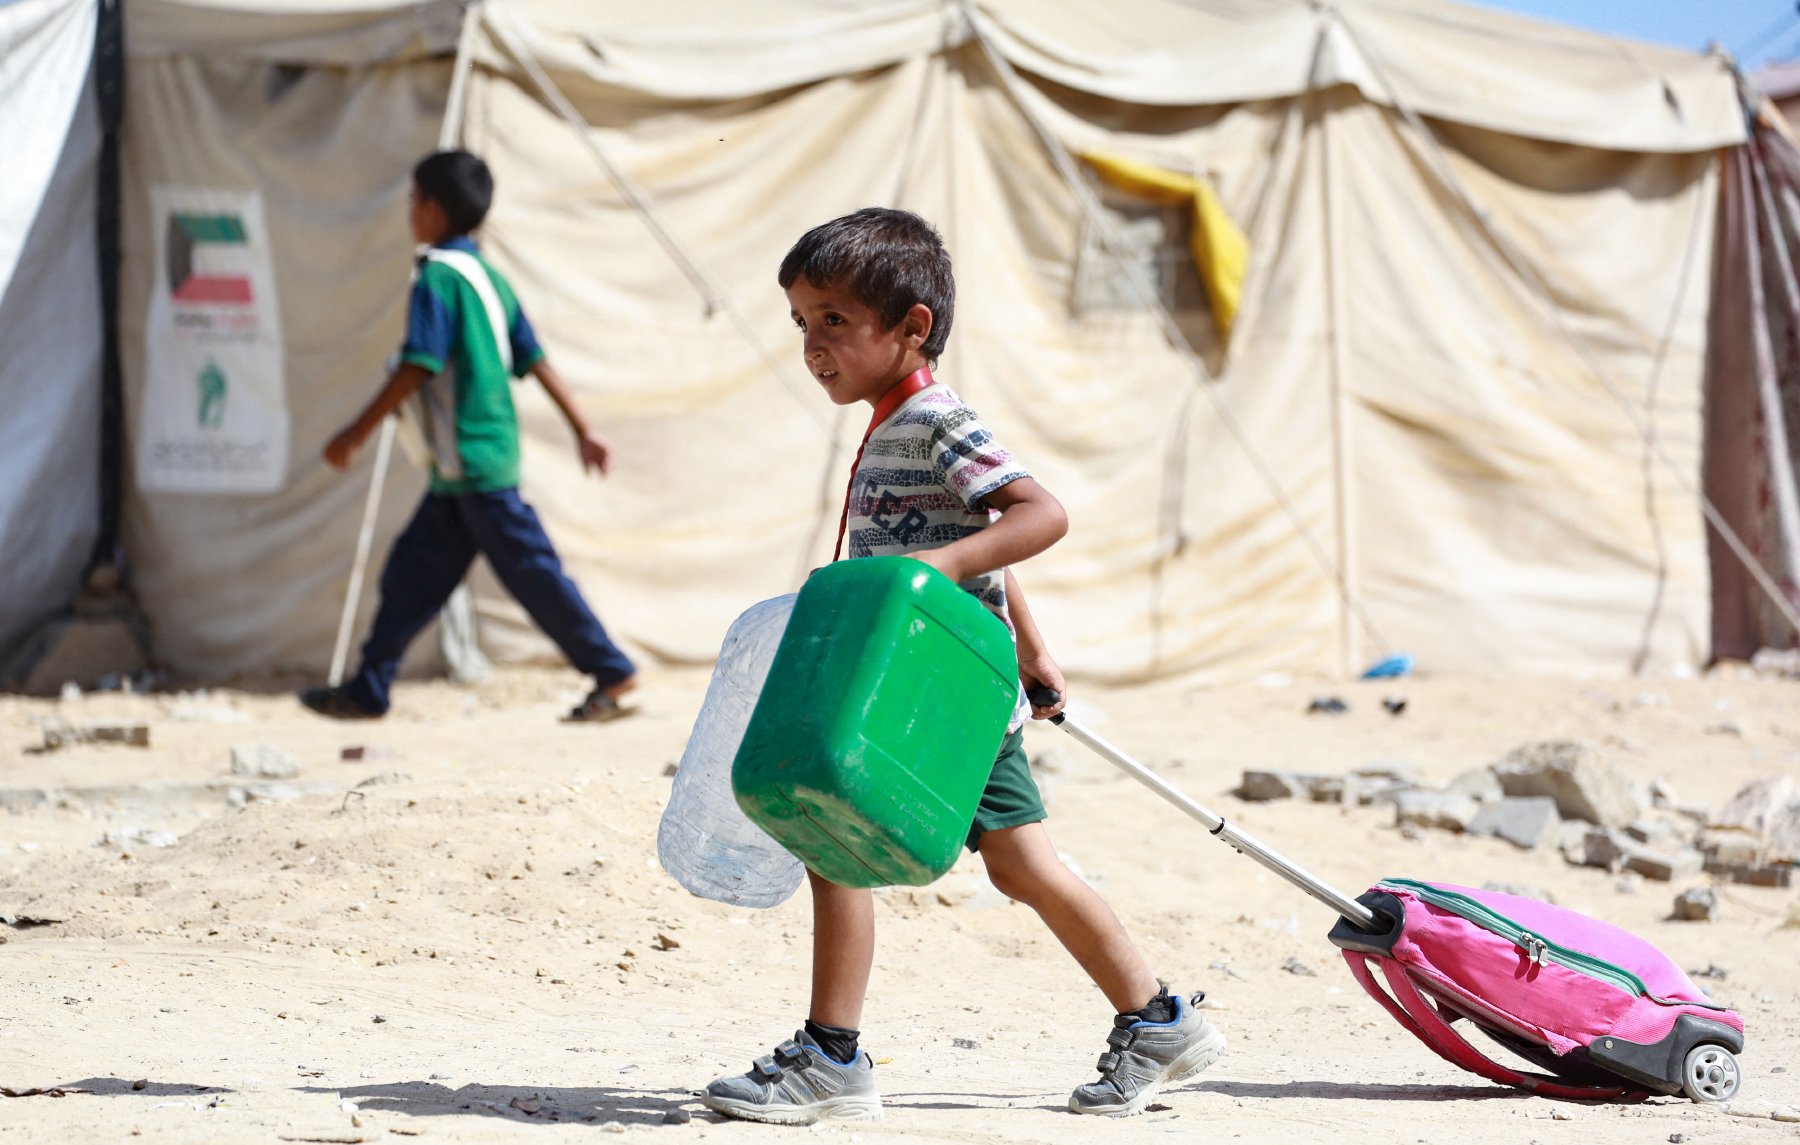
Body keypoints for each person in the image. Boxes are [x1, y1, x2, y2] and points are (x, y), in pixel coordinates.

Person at [699, 208, 1225, 1124]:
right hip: (929, 690)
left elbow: (1037, 512)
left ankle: (832, 1059)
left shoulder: (938, 419)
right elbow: (984, 541)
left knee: (852, 849)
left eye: (834, 320)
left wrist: (930, 572)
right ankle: (1157, 1019)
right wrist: (1030, 645)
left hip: (936, 700)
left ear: (912, 328)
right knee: (1018, 867)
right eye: (802, 323)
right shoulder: (888, 421)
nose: (813, 344)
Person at [300, 150, 637, 724]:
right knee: (410, 575)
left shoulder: (436, 278)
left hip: (474, 464)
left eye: (412, 203)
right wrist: (583, 429)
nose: (410, 214)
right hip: (465, 469)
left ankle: (611, 669)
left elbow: (419, 363)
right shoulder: (490, 279)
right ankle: (368, 687)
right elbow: (535, 358)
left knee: (534, 574)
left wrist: (356, 431)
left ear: (431, 209)